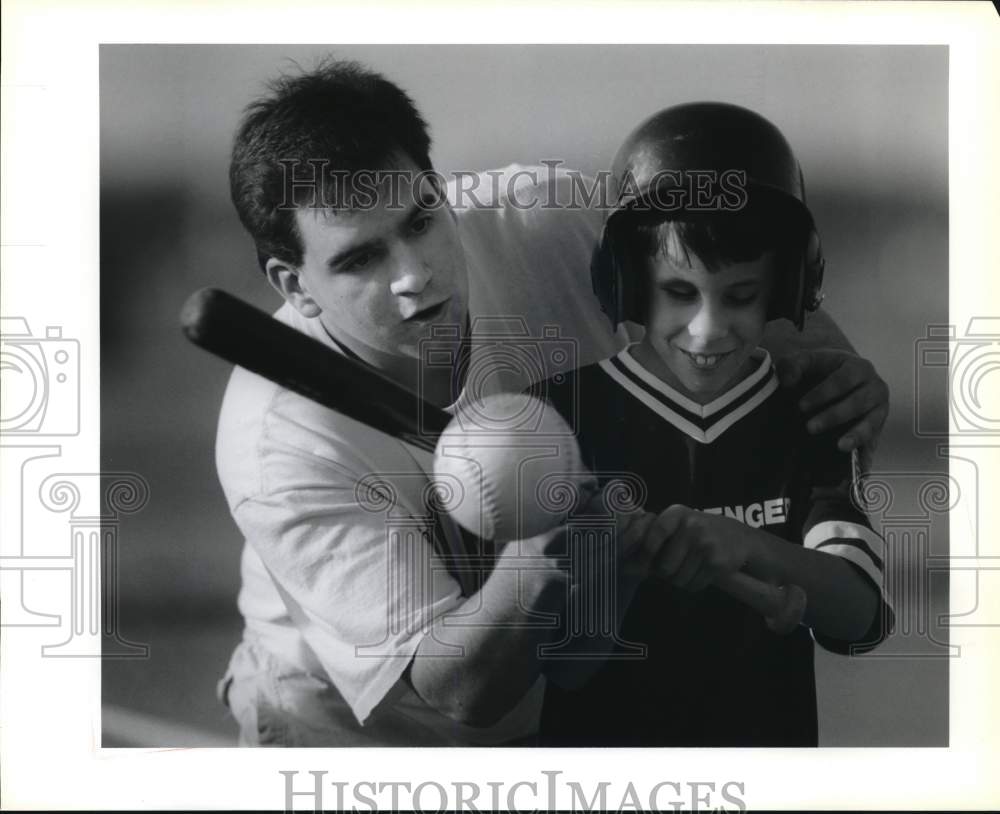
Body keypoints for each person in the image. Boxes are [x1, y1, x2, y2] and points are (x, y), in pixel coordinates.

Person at [214, 58, 890, 746]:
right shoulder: (281, 445)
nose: (413, 275)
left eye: (421, 221)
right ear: (294, 286)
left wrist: (831, 367)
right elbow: (458, 692)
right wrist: (542, 553)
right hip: (353, 732)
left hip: (566, 707)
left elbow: (729, 266)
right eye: (361, 260)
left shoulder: (552, 221)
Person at [537, 102, 894, 746]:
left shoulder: (808, 415)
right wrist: (614, 563)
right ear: (627, 282)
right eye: (679, 292)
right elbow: (565, 666)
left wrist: (749, 548)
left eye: (740, 295)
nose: (707, 329)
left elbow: (858, 616)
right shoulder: (556, 417)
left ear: (788, 287)